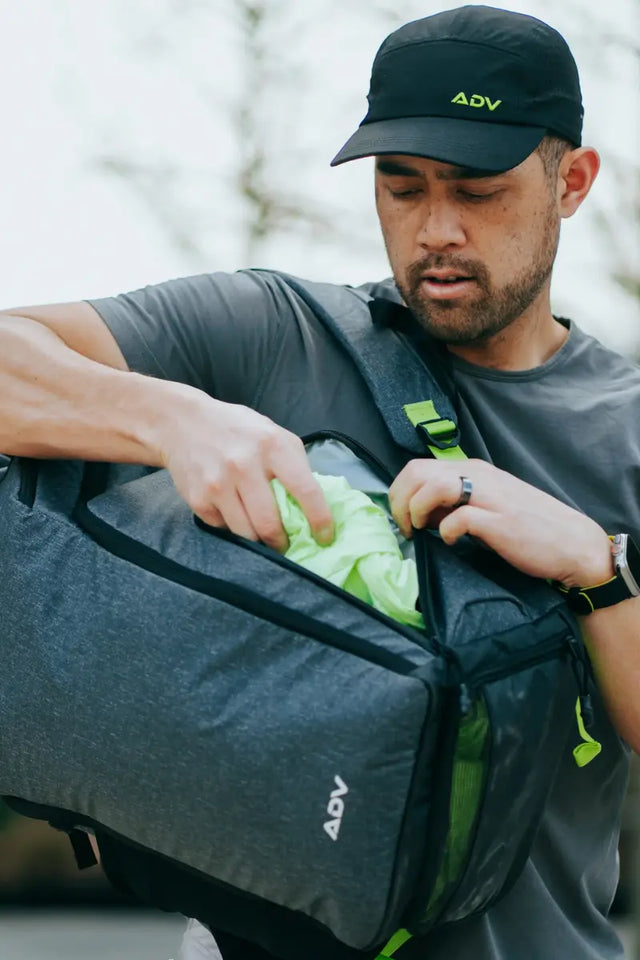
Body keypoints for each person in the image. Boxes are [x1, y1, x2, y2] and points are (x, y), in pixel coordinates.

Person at [0, 5, 638, 959]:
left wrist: (597, 571)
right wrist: (170, 416)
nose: (436, 231)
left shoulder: (625, 426)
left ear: (571, 181)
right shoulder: (273, 333)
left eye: (478, 191)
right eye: (402, 186)